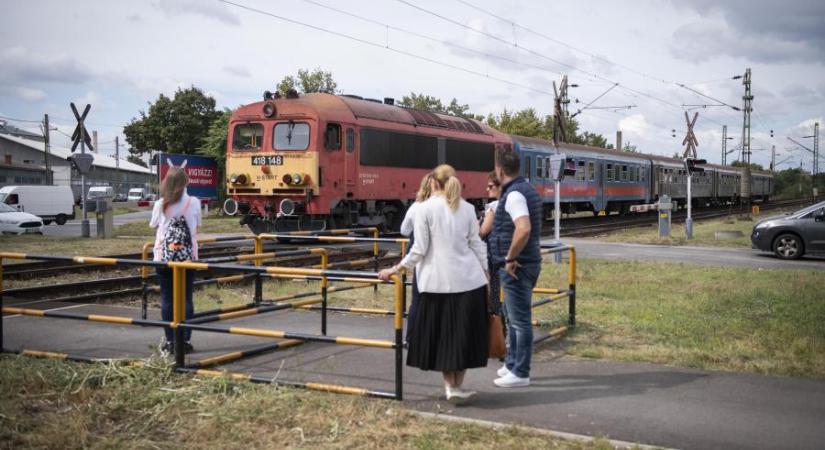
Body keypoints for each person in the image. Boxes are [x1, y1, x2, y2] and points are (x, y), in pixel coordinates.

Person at [379, 165, 488, 404]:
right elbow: (477, 245)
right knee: (464, 338)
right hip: (470, 282)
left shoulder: (423, 209)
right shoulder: (468, 208)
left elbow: (418, 250)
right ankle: (458, 386)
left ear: (433, 183)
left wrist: (394, 270)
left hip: (435, 284)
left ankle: (450, 387)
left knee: (443, 338)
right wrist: (487, 273)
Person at [489, 148, 543, 388]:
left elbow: (523, 228)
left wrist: (510, 257)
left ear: (500, 170)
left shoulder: (514, 195)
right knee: (512, 317)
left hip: (518, 267)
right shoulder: (525, 190)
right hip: (524, 263)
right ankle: (511, 364)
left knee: (519, 321)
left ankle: (520, 372)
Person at [150, 166, 202, 353]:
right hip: (187, 258)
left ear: (166, 183)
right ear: (185, 183)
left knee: (167, 299)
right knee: (186, 299)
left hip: (163, 258)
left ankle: (170, 341)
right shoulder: (194, 202)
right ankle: (185, 341)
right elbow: (198, 225)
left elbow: (153, 224)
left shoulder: (160, 204)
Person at [399, 173, 433, 334]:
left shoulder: (416, 207)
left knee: (417, 298)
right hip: (438, 257)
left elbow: (404, 231)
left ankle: (410, 336)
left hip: (418, 257)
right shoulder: (446, 207)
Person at [479, 171, 503, 316]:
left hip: (493, 255)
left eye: (490, 186)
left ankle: (496, 328)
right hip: (504, 254)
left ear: (500, 187)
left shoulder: (494, 207)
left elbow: (483, 231)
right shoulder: (509, 203)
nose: (487, 189)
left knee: (493, 291)